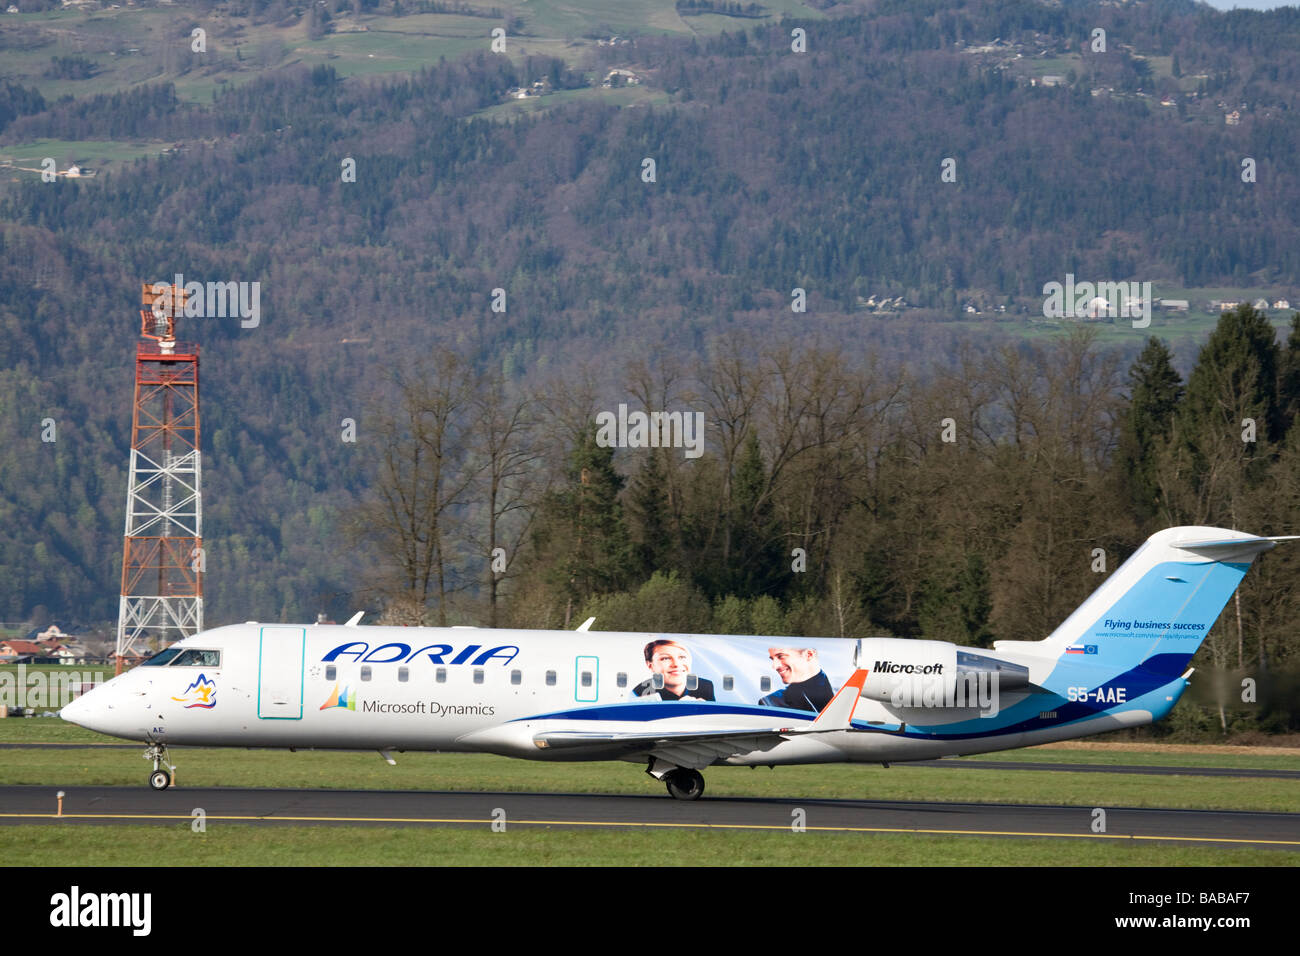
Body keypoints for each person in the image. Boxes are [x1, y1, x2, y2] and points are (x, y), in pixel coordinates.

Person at [631, 639, 715, 701]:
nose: (676, 664)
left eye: (682, 657)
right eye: (665, 658)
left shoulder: (705, 686)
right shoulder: (641, 692)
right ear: (650, 665)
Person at [759, 646, 833, 712]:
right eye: (772, 659)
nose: (774, 666)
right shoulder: (771, 703)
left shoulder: (841, 688)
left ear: (809, 655)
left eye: (781, 656)